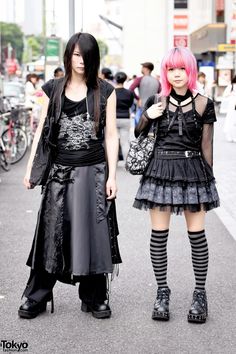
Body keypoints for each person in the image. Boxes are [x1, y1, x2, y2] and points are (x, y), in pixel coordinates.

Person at [18, 32, 122, 320]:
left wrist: (113, 176)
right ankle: (38, 295)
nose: (80, 60)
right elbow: (41, 131)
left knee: (93, 233)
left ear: (93, 57)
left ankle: (94, 295)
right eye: (76, 54)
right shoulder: (52, 88)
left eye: (85, 54)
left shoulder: (106, 91)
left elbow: (111, 136)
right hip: (59, 172)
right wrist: (30, 170)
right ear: (68, 55)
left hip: (94, 171)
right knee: (50, 234)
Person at [133, 47, 220, 324]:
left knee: (197, 236)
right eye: (171, 69)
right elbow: (138, 132)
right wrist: (149, 115)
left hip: (194, 170)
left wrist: (209, 182)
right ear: (166, 72)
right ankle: (162, 291)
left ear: (190, 70)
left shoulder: (204, 103)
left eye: (181, 68)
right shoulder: (156, 99)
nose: (177, 73)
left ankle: (199, 294)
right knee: (159, 235)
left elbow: (207, 146)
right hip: (160, 168)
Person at [114, 71, 134, 162]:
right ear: (125, 79)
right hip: (125, 118)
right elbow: (130, 105)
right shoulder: (129, 93)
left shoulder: (111, 92)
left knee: (113, 141)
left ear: (115, 79)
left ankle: (114, 162)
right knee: (125, 142)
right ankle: (127, 163)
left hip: (113, 118)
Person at [222, 75, 236, 142]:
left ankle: (233, 136)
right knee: (230, 121)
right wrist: (231, 94)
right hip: (232, 107)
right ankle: (229, 135)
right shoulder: (231, 86)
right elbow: (225, 94)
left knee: (234, 123)